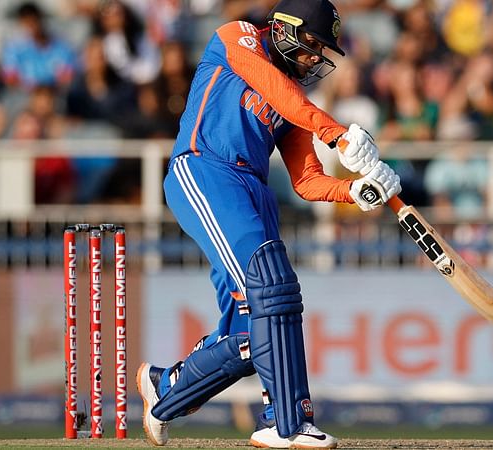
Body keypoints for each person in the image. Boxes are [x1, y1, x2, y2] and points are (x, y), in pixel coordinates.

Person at [135, 0, 401, 448]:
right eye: (313, 45)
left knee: (251, 333)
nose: (317, 57)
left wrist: (354, 192)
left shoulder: (295, 103)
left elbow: (308, 181)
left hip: (252, 191)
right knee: (272, 288)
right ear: (285, 29)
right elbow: (273, 88)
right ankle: (287, 423)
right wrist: (335, 131)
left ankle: (166, 390)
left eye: (323, 51)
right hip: (206, 170)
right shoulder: (235, 37)